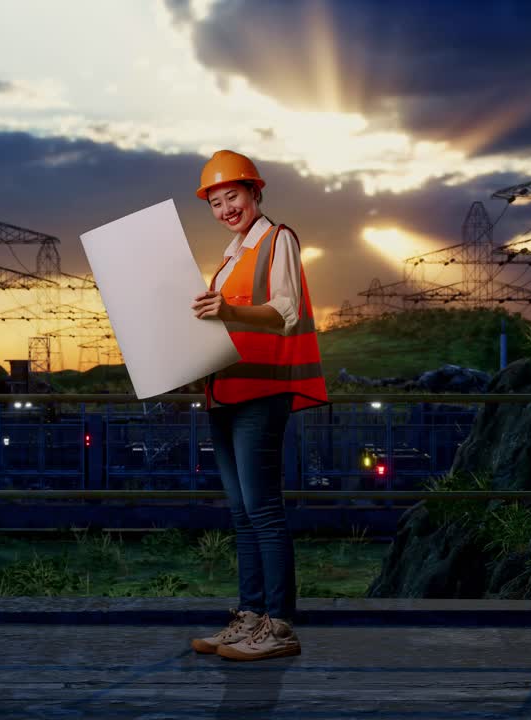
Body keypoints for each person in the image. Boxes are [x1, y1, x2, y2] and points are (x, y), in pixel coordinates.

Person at [186, 150, 329, 662]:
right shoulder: (229, 257)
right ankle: (250, 618)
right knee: (242, 514)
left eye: (233, 197)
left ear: (255, 193)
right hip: (225, 392)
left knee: (264, 511)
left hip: (260, 393)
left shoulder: (277, 239)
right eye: (216, 201)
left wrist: (228, 310)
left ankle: (279, 625)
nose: (226, 208)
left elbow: (286, 313)